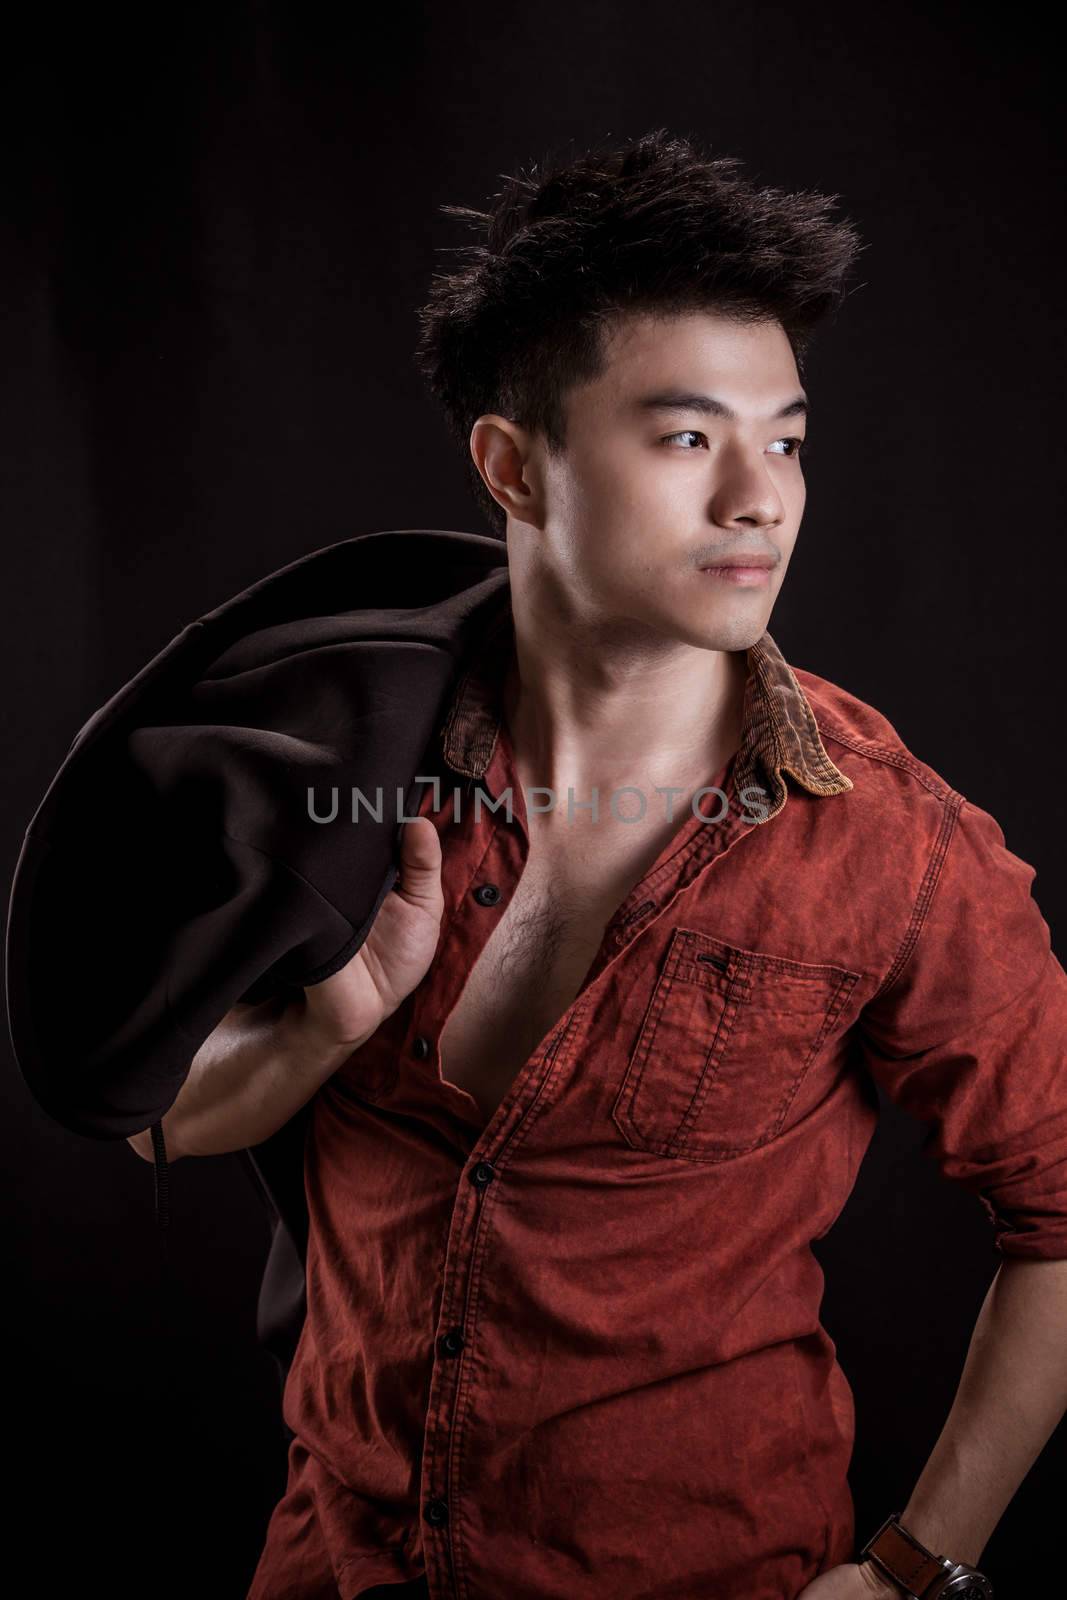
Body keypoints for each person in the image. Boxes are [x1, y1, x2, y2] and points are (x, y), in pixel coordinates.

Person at [129, 130, 1067, 1599]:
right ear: (514, 467)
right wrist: (316, 1030)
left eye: (790, 440)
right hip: (335, 1567)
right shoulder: (333, 766)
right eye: (689, 438)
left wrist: (912, 1566)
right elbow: (144, 1118)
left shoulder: (891, 843)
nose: (762, 497)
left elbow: (1064, 1214)